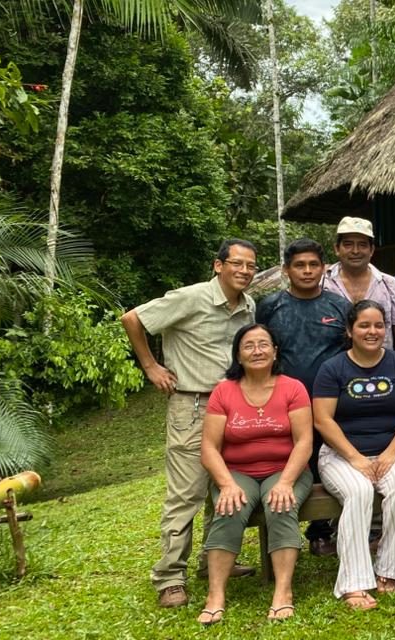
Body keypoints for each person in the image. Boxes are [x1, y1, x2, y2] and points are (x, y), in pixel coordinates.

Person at [121, 238, 259, 609]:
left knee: (223, 491)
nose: (244, 271)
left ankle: (211, 561)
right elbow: (133, 318)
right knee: (187, 494)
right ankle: (169, 577)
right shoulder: (190, 297)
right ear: (218, 266)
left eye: (251, 266)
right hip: (193, 405)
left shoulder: (249, 307)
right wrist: (151, 366)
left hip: (233, 406)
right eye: (237, 263)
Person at [197, 324, 314, 624]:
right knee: (229, 507)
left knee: (280, 504)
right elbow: (209, 447)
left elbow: (304, 442)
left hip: (285, 468)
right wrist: (226, 484)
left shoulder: (293, 388)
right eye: (249, 345)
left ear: (275, 351)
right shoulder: (224, 391)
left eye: (264, 344)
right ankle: (216, 595)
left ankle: (283, 591)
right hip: (237, 471)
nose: (257, 350)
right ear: (238, 354)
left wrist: (286, 481)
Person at [313, 300, 395, 610]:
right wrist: (356, 458)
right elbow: (323, 420)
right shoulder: (333, 368)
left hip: (391, 449)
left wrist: (391, 452)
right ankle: (354, 583)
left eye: (378, 325)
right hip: (340, 453)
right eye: (364, 325)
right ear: (350, 330)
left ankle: (390, 570)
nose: (372, 331)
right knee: (359, 492)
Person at [255, 238, 352, 557]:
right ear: (286, 270)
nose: (307, 271)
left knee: (328, 462)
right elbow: (259, 349)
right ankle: (281, 529)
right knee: (289, 463)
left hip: (332, 402)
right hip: (282, 403)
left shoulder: (340, 305)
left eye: (313, 264)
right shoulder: (269, 306)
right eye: (299, 265)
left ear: (324, 268)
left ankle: (323, 530)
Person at [322, 216, 395, 357]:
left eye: (362, 245)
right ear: (337, 248)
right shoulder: (322, 284)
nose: (355, 251)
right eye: (348, 244)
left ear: (372, 250)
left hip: (382, 372)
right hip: (333, 372)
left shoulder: (390, 285)